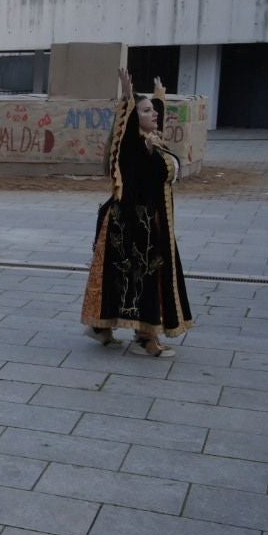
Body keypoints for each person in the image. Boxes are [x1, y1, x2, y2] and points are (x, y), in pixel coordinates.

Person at [82, 70, 193, 357]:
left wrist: (159, 100)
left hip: (146, 224)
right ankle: (145, 337)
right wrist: (128, 98)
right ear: (133, 118)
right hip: (132, 227)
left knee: (131, 278)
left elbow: (158, 155)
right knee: (142, 279)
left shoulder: (151, 141)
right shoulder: (131, 147)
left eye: (154, 110)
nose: (154, 113)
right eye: (147, 111)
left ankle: (102, 328)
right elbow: (128, 133)